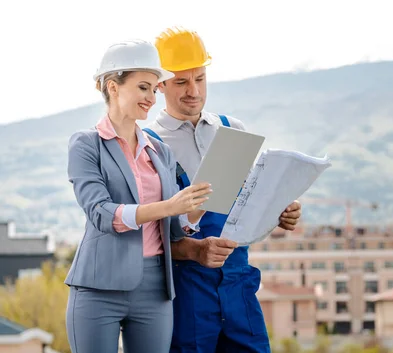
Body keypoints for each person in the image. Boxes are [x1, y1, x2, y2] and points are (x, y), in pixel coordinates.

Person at [143, 26, 302, 353]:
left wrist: (280, 212)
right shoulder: (150, 144)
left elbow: (252, 205)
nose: (193, 91)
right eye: (181, 81)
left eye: (199, 79)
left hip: (238, 282)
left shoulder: (233, 130)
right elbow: (147, 235)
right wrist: (194, 250)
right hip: (188, 292)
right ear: (159, 84)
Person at [65, 39, 212, 353]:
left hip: (155, 287)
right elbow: (102, 214)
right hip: (98, 287)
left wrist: (193, 211)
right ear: (113, 87)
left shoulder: (160, 152)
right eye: (143, 87)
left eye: (154, 90)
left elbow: (173, 227)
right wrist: (168, 205)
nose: (151, 98)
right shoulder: (86, 145)